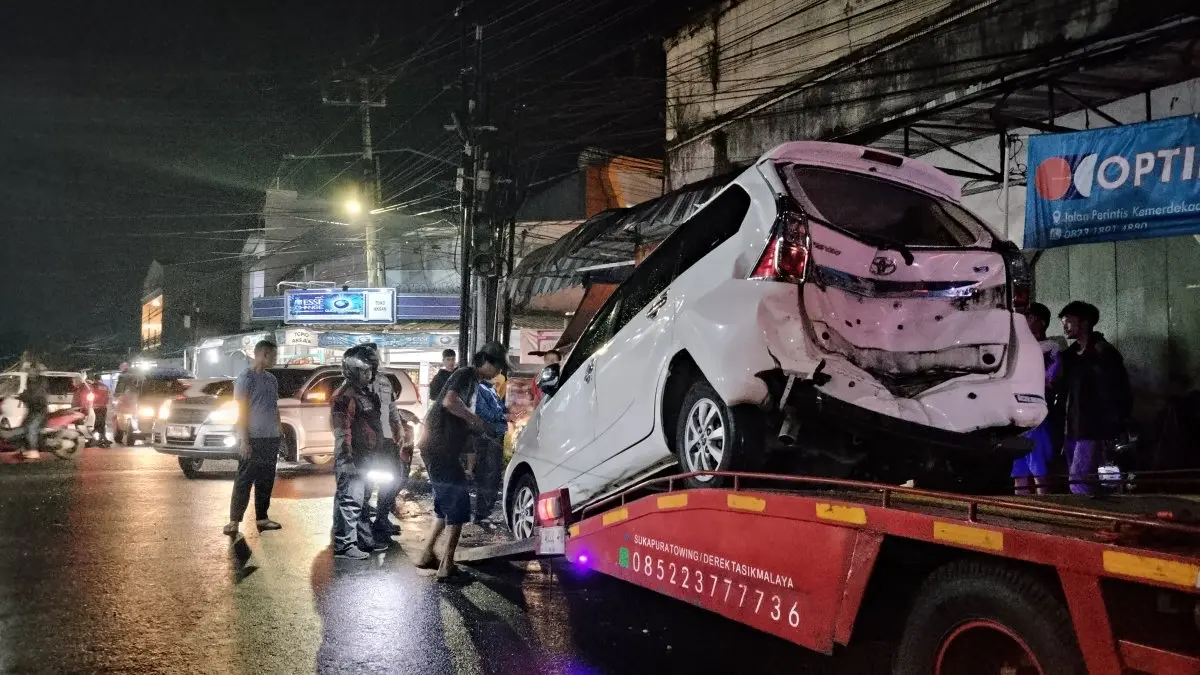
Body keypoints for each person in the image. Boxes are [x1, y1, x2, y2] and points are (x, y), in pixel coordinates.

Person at [415, 342, 505, 580]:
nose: (499, 372)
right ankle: (446, 566)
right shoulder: (466, 374)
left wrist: (478, 429)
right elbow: (450, 402)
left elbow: (459, 414)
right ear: (486, 361)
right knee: (459, 504)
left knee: (444, 504)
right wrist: (475, 419)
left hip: (439, 448)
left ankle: (426, 554)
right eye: (498, 366)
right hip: (440, 448)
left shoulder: (474, 382)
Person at [1054, 301, 1132, 495]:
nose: (1065, 326)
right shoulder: (1069, 356)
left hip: (1093, 428)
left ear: (1085, 322)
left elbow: (1118, 390)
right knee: (1089, 480)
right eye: (1063, 322)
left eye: (1069, 321)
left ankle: (1091, 512)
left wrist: (1115, 424)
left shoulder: (1103, 352)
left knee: (1079, 482)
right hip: (1071, 427)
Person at [330, 348, 388, 559]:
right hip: (353, 457)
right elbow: (342, 430)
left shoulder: (365, 394)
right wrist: (346, 459)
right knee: (350, 500)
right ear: (353, 371)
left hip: (366, 457)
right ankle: (344, 545)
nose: (369, 374)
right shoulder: (345, 396)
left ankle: (364, 540)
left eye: (370, 370)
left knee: (362, 500)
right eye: (365, 371)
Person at [223, 340, 283, 536]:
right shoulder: (245, 378)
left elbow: (274, 407)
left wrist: (279, 431)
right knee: (244, 479)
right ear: (264, 354)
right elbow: (241, 412)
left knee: (266, 479)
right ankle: (234, 521)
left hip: (270, 438)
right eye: (274, 355)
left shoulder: (271, 379)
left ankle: (262, 518)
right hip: (253, 438)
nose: (276, 359)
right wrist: (244, 440)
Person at [354, 344, 412, 545]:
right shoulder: (355, 383)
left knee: (392, 479)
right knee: (366, 483)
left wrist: (399, 430)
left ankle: (381, 518)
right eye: (370, 357)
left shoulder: (384, 381)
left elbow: (392, 408)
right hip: (366, 443)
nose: (374, 361)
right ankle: (362, 524)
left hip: (387, 441)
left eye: (375, 357)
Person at [1012, 303, 1065, 495]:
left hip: (1037, 413)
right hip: (1016, 415)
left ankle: (1045, 506)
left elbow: (1052, 379)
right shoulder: (1016, 347)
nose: (1025, 321)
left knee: (1039, 468)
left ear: (1042, 322)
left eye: (1030, 317)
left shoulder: (1052, 347)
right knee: (1019, 472)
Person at [473, 376, 508, 525]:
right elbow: (483, 412)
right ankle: (482, 511)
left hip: (495, 434)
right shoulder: (481, 389)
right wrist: (504, 415)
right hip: (488, 435)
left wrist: (507, 411)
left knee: (492, 473)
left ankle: (486, 510)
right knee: (488, 473)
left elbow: (497, 408)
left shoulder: (490, 389)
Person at [18, 368, 49, 460]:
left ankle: (34, 451)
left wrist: (24, 396)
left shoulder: (41, 382)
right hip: (32, 409)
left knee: (31, 427)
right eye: (28, 371)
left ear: (36, 372)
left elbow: (36, 394)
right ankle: (27, 448)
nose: (29, 372)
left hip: (39, 409)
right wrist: (22, 396)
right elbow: (28, 393)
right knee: (24, 427)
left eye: (32, 371)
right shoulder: (30, 381)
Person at [89, 375, 111, 448]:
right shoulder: (105, 387)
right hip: (103, 407)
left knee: (94, 424)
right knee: (102, 423)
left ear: (94, 379)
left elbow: (89, 396)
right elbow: (107, 398)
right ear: (100, 379)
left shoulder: (92, 386)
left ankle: (93, 439)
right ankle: (102, 438)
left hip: (94, 408)